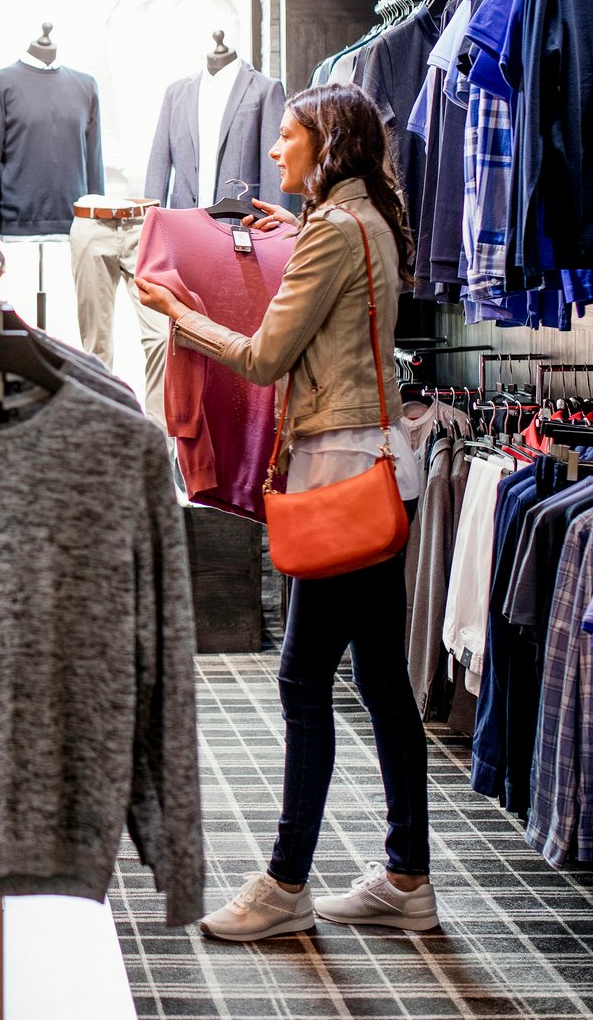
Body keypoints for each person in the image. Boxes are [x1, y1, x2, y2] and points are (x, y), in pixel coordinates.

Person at [134, 83, 437, 938]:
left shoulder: (332, 233)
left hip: (335, 473)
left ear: (325, 143)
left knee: (303, 679)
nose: (274, 151)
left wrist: (180, 317)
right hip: (380, 463)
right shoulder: (365, 221)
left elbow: (265, 359)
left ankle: (284, 883)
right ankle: (407, 877)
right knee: (381, 682)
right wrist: (295, 230)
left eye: (287, 138)